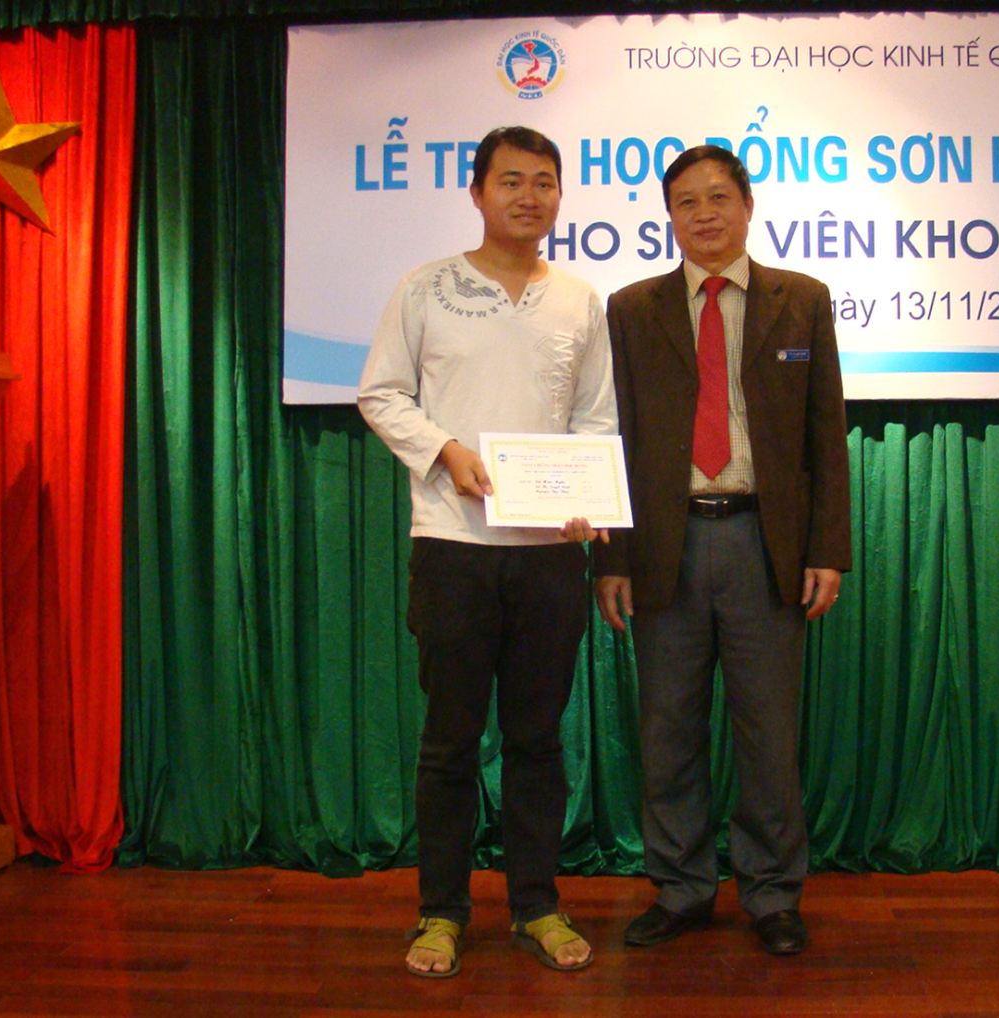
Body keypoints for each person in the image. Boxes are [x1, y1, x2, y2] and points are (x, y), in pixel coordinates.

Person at [357, 125, 615, 978]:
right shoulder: (426, 288)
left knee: (538, 741)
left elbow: (597, 418)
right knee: (450, 742)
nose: (528, 197)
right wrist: (443, 451)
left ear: (559, 195)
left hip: (549, 556)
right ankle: (440, 911)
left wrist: (583, 498)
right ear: (476, 192)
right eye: (511, 181)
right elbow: (381, 393)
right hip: (453, 547)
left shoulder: (579, 300)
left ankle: (537, 905)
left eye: (544, 182)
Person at [593, 145, 851, 956]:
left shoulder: (800, 300)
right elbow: (614, 435)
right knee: (667, 727)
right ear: (669, 216)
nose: (703, 214)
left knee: (768, 732)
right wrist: (612, 557)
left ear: (747, 205)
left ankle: (772, 893)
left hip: (762, 540)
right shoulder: (631, 309)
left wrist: (827, 549)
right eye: (686, 202)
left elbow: (825, 434)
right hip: (663, 543)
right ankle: (680, 888)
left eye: (717, 198)